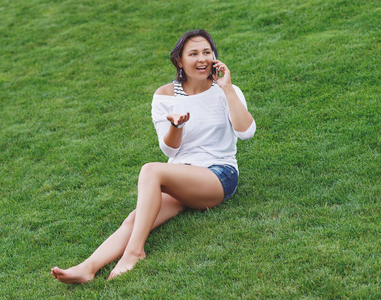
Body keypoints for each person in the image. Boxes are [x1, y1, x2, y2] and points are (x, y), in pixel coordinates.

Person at [51, 29, 256, 283]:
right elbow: (170, 150)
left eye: (207, 52)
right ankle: (87, 267)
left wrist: (226, 90)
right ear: (179, 61)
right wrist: (176, 126)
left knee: (151, 170)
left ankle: (135, 252)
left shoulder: (228, 90)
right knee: (136, 218)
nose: (202, 58)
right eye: (193, 53)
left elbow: (246, 132)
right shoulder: (165, 96)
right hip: (182, 177)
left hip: (218, 175)